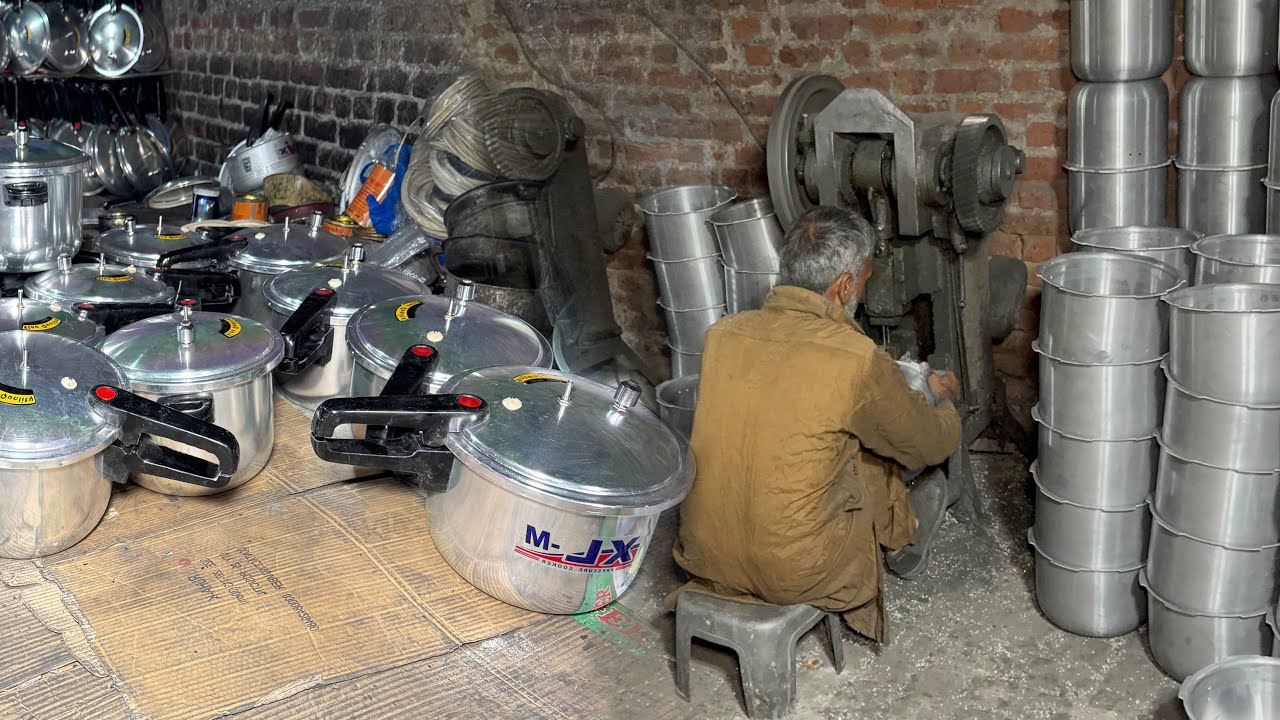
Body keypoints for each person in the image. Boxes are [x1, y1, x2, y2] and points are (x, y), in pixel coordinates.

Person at [672, 205, 964, 642]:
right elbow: (925, 445)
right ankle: (901, 536)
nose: (863, 287)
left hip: (702, 555)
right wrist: (945, 406)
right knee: (873, 450)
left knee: (809, 436)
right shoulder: (854, 357)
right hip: (796, 571)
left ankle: (894, 532)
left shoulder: (722, 335)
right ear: (843, 285)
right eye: (864, 278)